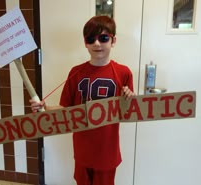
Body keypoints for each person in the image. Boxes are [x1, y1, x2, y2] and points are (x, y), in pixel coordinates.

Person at [30, 15, 135, 185]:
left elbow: (128, 112)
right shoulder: (76, 72)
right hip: (82, 150)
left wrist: (129, 98)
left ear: (113, 41)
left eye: (103, 38)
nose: (97, 44)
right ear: (85, 42)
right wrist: (44, 108)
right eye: (91, 39)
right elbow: (66, 109)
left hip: (107, 152)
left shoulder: (123, 73)